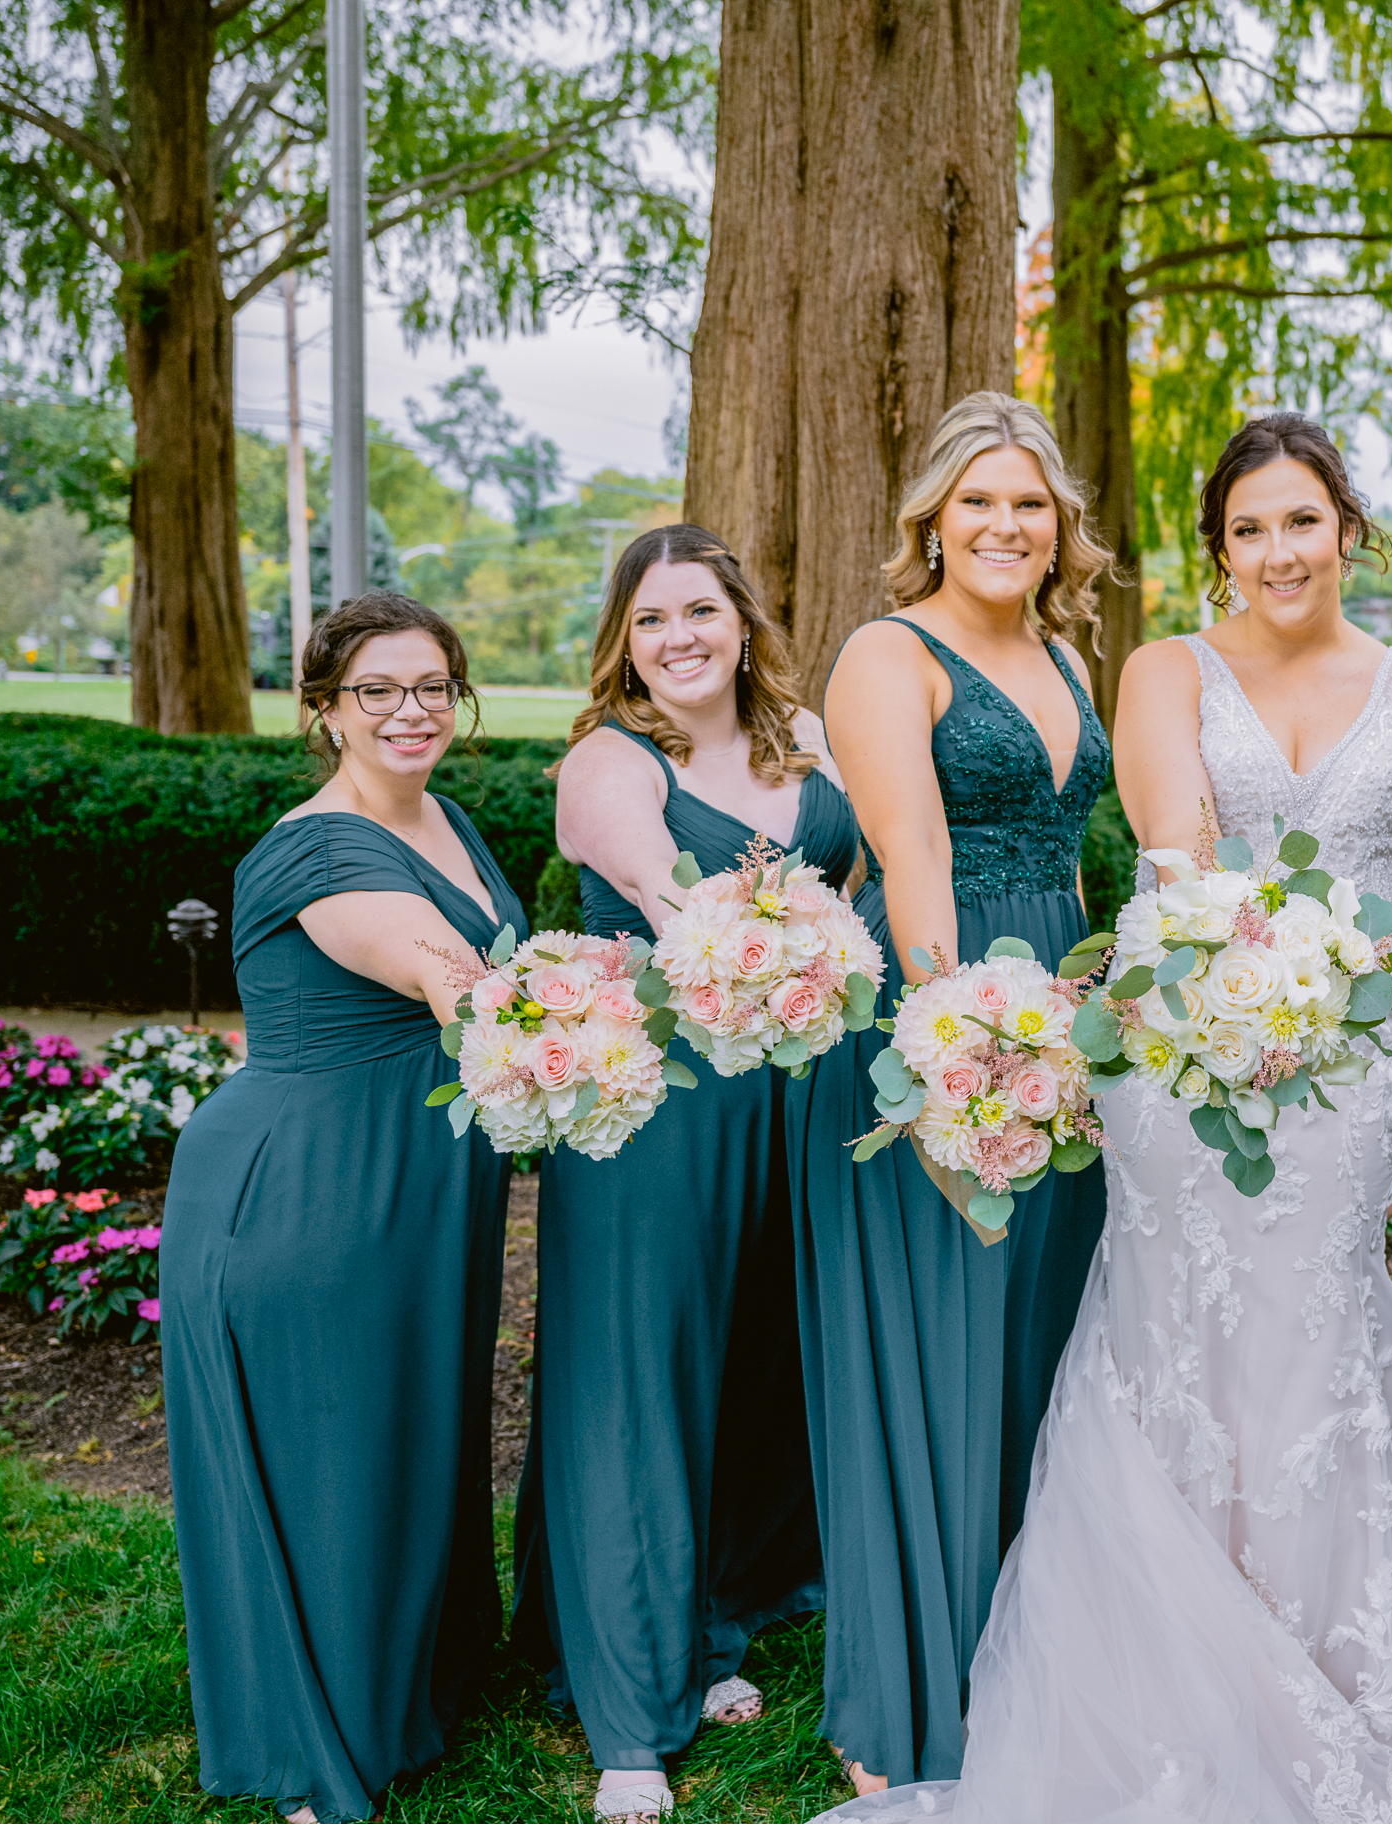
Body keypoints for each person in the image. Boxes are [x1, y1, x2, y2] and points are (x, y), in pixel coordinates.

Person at [813, 412, 1392, 1824]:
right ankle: (1164, 1673)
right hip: (1188, 1044)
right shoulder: (1159, 669)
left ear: (1347, 528)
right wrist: (1247, 998)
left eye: (1303, 520)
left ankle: (1355, 1664)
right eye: (1248, 527)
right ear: (1217, 548)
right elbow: (1177, 862)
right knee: (1180, 1342)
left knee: (1324, 1337)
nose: (1280, 550)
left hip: (1353, 1072)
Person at [160, 593, 526, 1824]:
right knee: (337, 1451)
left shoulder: (444, 818)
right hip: (308, 1196)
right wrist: (528, 1028)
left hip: (416, 1190)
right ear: (324, 709)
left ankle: (414, 1687)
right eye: (377, 690)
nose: (410, 711)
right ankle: (319, 1745)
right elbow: (432, 963)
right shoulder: (319, 849)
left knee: (410, 1430)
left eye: (433, 686)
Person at [512, 525, 853, 1824]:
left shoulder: (805, 738)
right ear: (624, 641)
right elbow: (674, 902)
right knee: (639, 1384)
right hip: (656, 1114)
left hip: (790, 1099)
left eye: (699, 611)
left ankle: (709, 1620)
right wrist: (786, 932)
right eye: (650, 619)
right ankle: (628, 1719)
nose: (678, 639)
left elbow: (864, 885)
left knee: (752, 1371)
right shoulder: (610, 762)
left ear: (743, 621)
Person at [799, 392, 1115, 1793]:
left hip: (1057, 1015)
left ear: (1059, 526)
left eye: (1028, 503)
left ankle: (1027, 1664)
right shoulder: (888, 654)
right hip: (939, 1018)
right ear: (932, 518)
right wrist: (960, 1055)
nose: (1005, 524)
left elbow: (1075, 857)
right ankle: (905, 1699)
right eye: (977, 500)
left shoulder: (1066, 654)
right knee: (933, 1349)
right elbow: (912, 859)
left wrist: (1089, 1027)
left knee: (1038, 1339)